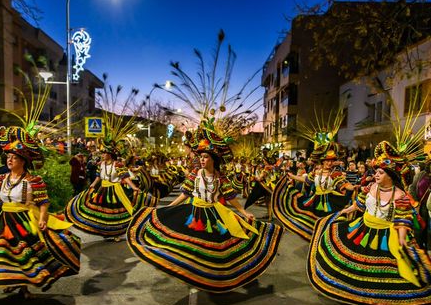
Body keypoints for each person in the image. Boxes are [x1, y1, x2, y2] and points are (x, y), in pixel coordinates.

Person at [127, 125, 284, 292]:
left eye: (205, 157)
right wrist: (167, 209)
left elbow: (230, 197)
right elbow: (185, 194)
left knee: (216, 249)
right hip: (194, 213)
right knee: (190, 246)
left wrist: (244, 212)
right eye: (201, 156)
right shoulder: (196, 173)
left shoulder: (220, 177)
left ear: (213, 159)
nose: (202, 160)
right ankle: (192, 274)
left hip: (214, 214)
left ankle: (211, 278)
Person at [308, 141, 431, 305]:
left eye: (381, 172)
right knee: (352, 259)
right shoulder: (371, 187)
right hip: (362, 228)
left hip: (385, 235)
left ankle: (378, 298)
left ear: (390, 175)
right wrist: (345, 210)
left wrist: (402, 237)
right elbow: (359, 205)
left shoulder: (400, 195)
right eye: (376, 172)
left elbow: (403, 219)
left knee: (384, 271)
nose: (376, 175)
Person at [0, 127, 80, 298]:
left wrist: (43, 219)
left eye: (14, 158)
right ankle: (12, 281)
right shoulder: (2, 179)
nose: (10, 160)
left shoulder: (34, 181)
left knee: (22, 253)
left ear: (23, 161)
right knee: (4, 252)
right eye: (8, 157)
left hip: (23, 221)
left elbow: (43, 203)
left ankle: (24, 286)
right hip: (3, 220)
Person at [65, 140, 158, 239]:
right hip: (103, 190)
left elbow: (125, 177)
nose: (103, 155)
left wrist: (134, 187)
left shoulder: (117, 165)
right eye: (103, 153)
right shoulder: (101, 164)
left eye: (105, 153)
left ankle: (116, 233)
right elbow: (98, 177)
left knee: (115, 213)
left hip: (116, 191)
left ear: (110, 154)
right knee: (102, 212)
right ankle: (106, 232)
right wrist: (92, 185)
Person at [273, 141, 356, 241]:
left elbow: (346, 185)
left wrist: (356, 187)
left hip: (331, 202)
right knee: (313, 221)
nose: (329, 163)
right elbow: (306, 180)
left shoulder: (335, 173)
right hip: (315, 201)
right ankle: (317, 240)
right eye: (327, 160)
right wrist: (292, 176)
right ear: (322, 161)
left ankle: (327, 241)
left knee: (330, 222)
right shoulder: (315, 172)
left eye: (331, 161)